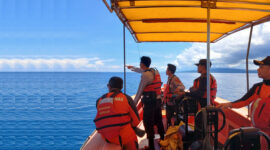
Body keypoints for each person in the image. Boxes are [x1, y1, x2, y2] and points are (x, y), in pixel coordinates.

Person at [218, 56, 270, 135]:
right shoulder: (258, 87)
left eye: (261, 67)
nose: (258, 69)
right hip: (257, 131)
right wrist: (228, 104)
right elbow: (244, 101)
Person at [127, 56, 165, 150]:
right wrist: (132, 68)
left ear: (142, 64)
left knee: (148, 124)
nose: (139, 65)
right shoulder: (155, 71)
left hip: (150, 103)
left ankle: (151, 147)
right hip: (158, 101)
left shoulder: (145, 75)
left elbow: (140, 91)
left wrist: (132, 105)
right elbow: (142, 70)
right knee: (159, 121)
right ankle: (163, 141)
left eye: (140, 63)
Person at [94, 77, 142, 150]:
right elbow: (136, 121)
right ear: (121, 87)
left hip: (107, 138)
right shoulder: (127, 98)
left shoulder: (99, 100)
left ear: (109, 86)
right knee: (131, 138)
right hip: (125, 137)